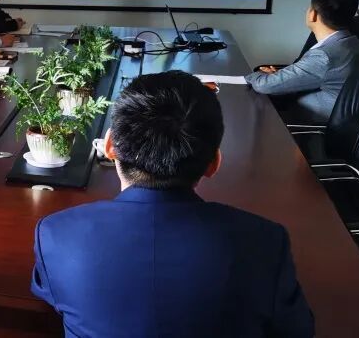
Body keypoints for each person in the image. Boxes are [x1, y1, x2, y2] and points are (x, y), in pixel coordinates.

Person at [31, 71, 314, 337]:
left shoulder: (55, 234)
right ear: (214, 163)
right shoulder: (266, 242)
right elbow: (297, 330)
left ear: (109, 147)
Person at [246, 0, 359, 123]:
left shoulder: (324, 55)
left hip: (305, 125)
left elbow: (263, 85)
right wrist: (280, 77)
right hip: (342, 123)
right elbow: (316, 76)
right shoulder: (358, 45)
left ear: (313, 14)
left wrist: (259, 75)